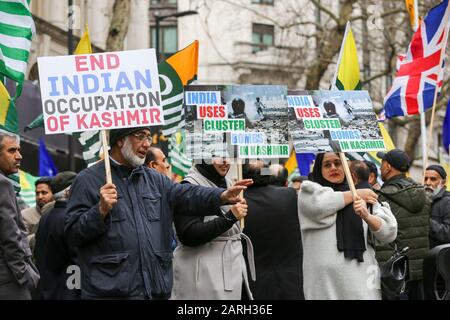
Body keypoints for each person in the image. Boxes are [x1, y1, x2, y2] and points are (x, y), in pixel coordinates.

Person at [65, 127, 251, 299]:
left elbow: (187, 194)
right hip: (111, 292)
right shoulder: (87, 181)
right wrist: (100, 211)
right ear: (120, 140)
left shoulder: (155, 180)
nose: (147, 143)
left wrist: (222, 196)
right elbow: (72, 235)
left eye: (148, 137)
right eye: (140, 136)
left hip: (155, 291)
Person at [298, 152, 397, 300]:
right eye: (327, 165)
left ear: (346, 168)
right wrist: (354, 194)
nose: (333, 168)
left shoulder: (366, 196)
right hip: (322, 284)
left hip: (362, 280)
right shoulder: (309, 192)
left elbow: (389, 232)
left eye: (338, 163)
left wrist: (367, 215)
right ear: (319, 169)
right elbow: (319, 206)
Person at [171, 158, 252, 300]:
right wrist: (229, 217)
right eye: (218, 155)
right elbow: (188, 234)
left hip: (232, 270)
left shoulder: (227, 182)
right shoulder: (188, 185)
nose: (225, 161)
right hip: (202, 277)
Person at [243, 161, 304, 299]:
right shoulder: (289, 195)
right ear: (268, 175)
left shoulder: (238, 203)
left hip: (254, 285)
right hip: (291, 283)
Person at [376, 149, 431, 300]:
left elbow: (382, 240)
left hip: (396, 273)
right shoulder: (423, 194)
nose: (380, 168)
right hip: (420, 270)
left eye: (382, 164)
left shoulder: (382, 197)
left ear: (388, 167)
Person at [0, 130, 39, 299]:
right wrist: (23, 274)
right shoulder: (3, 184)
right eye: (11, 150)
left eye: (19, 150)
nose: (19, 156)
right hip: (9, 280)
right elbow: (10, 236)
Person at [34, 171, 79, 300]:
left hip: (46, 289)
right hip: (66, 291)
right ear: (68, 192)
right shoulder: (69, 218)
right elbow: (76, 260)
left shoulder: (47, 215)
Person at [21, 176, 54, 251]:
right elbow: (21, 243)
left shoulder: (61, 213)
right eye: (37, 193)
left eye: (44, 193)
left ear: (54, 193)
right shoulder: (25, 215)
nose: (40, 197)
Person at [423, 165, 450, 248]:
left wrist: (425, 220)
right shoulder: (420, 200)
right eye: (426, 178)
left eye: (433, 179)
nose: (428, 183)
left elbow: (448, 233)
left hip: (440, 258)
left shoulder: (447, 201)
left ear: (443, 182)